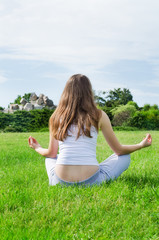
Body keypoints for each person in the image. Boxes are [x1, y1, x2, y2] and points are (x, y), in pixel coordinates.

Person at [28, 74, 152, 186]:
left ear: (66, 93)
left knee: (51, 158)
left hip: (59, 182)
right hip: (93, 180)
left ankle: (58, 180)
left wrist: (37, 147)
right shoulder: (99, 115)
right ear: (88, 92)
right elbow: (119, 151)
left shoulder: (55, 117)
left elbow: (51, 154)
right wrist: (141, 145)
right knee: (125, 157)